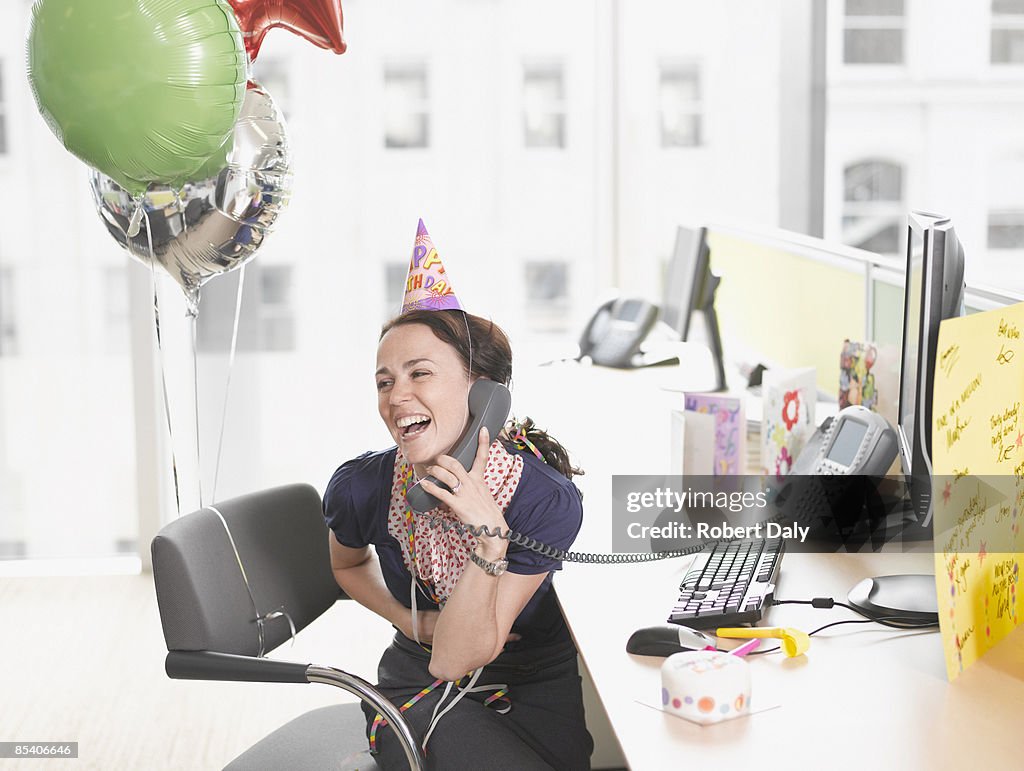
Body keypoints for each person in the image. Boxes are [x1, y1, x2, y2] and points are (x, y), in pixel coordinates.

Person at [323, 221, 593, 770]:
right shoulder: (364, 487)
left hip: (530, 680)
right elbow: (351, 568)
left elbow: (477, 645)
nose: (397, 397)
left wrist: (492, 532)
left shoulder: (543, 501)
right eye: (384, 381)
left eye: (420, 373)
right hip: (418, 680)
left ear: (484, 392)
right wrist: (403, 615)